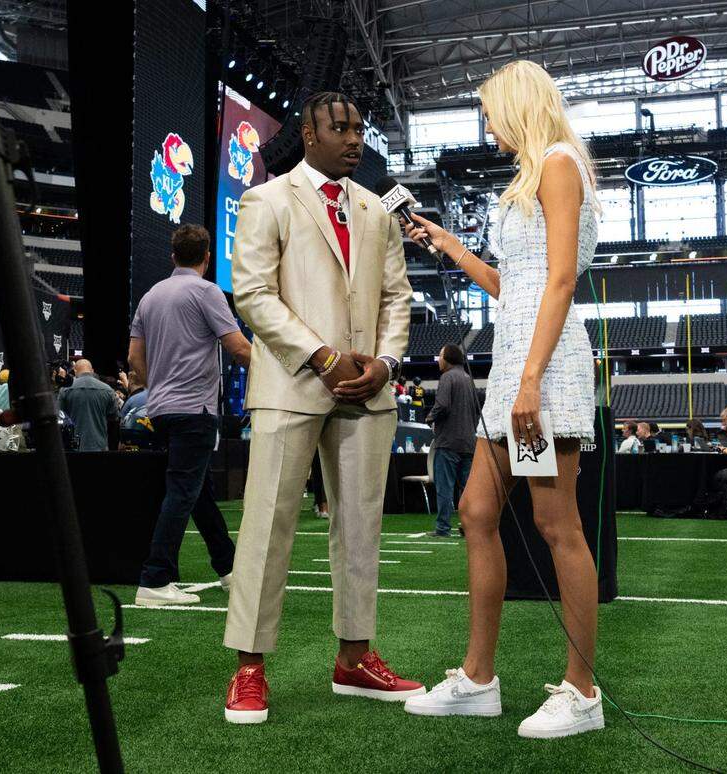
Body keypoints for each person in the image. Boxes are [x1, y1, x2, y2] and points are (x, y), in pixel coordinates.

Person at [400, 60, 604, 738]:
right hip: (518, 366)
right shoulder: (531, 174)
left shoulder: (557, 163)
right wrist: (449, 244)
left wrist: (528, 382)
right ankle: (479, 679)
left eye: (489, 110)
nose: (486, 123)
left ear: (517, 104)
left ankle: (582, 692)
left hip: (541, 373)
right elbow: (513, 286)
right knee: (475, 509)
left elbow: (562, 280)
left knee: (556, 525)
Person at [222, 91, 421, 725]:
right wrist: (322, 357)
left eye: (360, 128)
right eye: (342, 128)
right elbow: (252, 295)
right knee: (267, 527)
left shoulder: (375, 209)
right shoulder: (267, 199)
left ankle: (354, 658)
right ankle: (250, 667)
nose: (355, 138)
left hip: (369, 390)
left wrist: (384, 364)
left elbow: (397, 299)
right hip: (293, 385)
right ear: (309, 134)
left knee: (361, 529)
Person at [128, 224, 251, 607]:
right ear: (207, 257)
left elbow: (134, 359)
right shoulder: (206, 291)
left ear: (172, 255)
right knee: (183, 491)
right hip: (194, 409)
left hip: (161, 409)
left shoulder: (151, 296)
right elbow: (239, 348)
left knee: (197, 492)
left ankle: (228, 567)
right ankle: (155, 578)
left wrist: (159, 387)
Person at [425, 343, 478, 537]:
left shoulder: (447, 377)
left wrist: (430, 417)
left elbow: (442, 405)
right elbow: (475, 412)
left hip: (447, 442)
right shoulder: (468, 379)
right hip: (469, 443)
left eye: (440, 355)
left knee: (445, 487)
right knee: (468, 489)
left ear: (448, 358)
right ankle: (468, 527)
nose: (438, 359)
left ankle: (443, 528)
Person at [58, 359, 119, 451]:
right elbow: (114, 419)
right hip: (99, 447)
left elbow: (60, 417)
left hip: (74, 449)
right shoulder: (108, 390)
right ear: (92, 371)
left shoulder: (65, 390)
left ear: (75, 371)